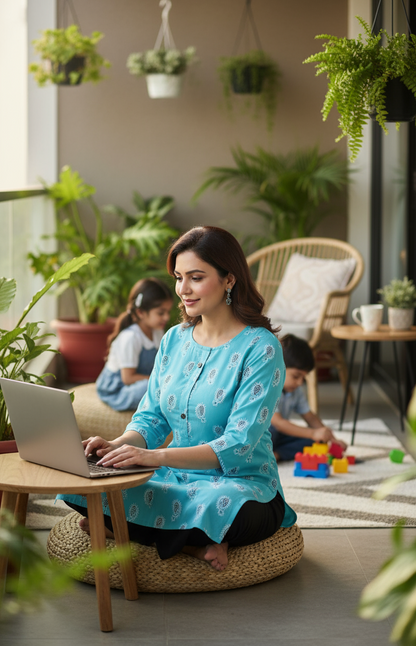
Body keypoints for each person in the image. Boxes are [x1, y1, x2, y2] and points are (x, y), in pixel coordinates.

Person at [59, 226, 297, 572]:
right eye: (179, 277)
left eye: (196, 278)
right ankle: (190, 543)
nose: (183, 289)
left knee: (222, 505)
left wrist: (154, 456)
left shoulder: (261, 348)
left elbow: (238, 444)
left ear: (229, 279)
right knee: (81, 488)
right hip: (174, 480)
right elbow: (151, 418)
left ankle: (130, 530)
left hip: (241, 485)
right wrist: (117, 446)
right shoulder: (174, 339)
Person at [96, 278, 173, 411]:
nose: (166, 317)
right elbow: (128, 378)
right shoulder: (130, 337)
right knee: (153, 389)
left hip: (143, 381)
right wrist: (158, 381)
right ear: (140, 312)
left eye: (168, 312)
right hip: (118, 390)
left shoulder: (157, 331)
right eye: (161, 313)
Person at [269, 334, 347, 461]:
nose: (300, 382)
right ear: (278, 367)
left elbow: (310, 417)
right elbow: (278, 424)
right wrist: (313, 433)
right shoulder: (269, 387)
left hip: (278, 437)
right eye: (296, 376)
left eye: (303, 378)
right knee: (271, 430)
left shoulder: (296, 391)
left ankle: (276, 455)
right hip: (262, 436)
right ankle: (265, 454)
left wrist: (332, 439)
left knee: (316, 441)